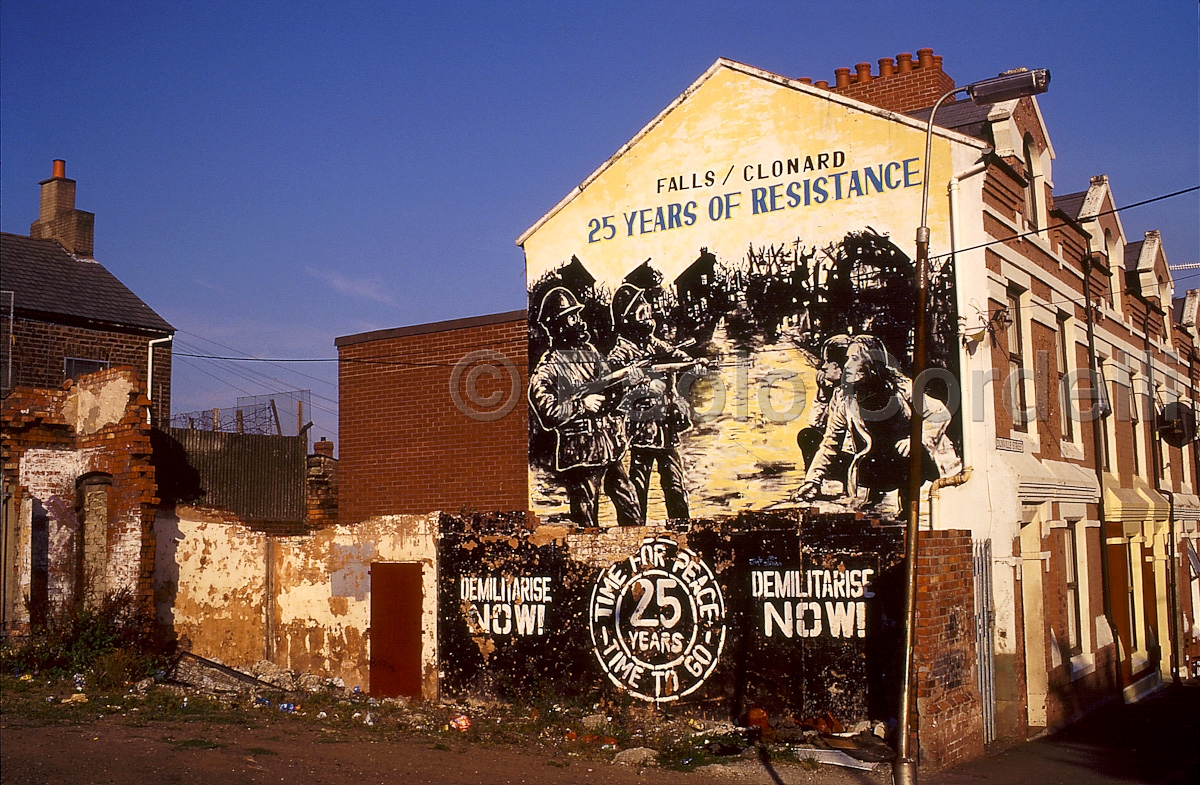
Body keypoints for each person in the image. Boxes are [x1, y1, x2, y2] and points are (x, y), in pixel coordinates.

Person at [793, 335, 961, 514]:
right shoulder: (843, 396)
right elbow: (830, 443)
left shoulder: (901, 387)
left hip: (912, 464)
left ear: (870, 363)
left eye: (854, 359)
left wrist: (916, 439)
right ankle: (876, 494)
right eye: (847, 359)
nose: (847, 365)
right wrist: (812, 481)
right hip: (876, 467)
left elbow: (939, 412)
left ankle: (908, 508)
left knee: (906, 451)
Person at [528, 286, 641, 527]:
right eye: (572, 317)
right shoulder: (547, 368)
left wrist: (627, 381)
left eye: (577, 315)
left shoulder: (589, 353)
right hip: (580, 453)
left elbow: (609, 386)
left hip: (608, 446)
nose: (579, 322)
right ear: (558, 325)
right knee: (586, 517)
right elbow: (548, 413)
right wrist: (581, 405)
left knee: (630, 502)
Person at [606, 283, 704, 522]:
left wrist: (694, 364)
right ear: (628, 319)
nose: (649, 319)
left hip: (666, 426)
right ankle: (637, 533)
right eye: (642, 315)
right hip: (641, 430)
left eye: (649, 313)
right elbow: (610, 385)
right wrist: (633, 380)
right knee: (639, 484)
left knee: (675, 484)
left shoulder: (653, 344)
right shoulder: (620, 354)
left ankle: (681, 528)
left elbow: (677, 356)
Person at [796, 334, 851, 481]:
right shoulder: (834, 390)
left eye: (828, 361)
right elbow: (815, 423)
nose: (823, 367)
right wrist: (823, 394)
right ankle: (813, 482)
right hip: (835, 452)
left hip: (853, 457)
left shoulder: (851, 391)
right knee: (807, 435)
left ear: (841, 366)